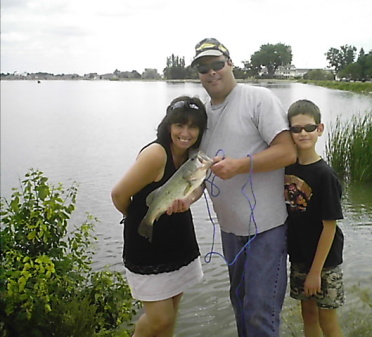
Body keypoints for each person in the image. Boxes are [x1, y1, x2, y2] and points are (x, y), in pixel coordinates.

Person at [190, 37, 297, 337]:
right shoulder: (200, 117)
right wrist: (185, 199)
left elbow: (287, 152)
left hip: (267, 229)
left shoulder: (258, 99)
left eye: (217, 64)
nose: (211, 73)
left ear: (230, 64)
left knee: (260, 313)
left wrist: (240, 164)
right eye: (203, 67)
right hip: (230, 232)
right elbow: (197, 179)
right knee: (239, 304)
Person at [111, 96, 207, 337]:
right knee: (159, 319)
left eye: (193, 126)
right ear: (168, 125)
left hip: (179, 242)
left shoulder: (192, 156)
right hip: (147, 246)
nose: (185, 133)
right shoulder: (156, 154)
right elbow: (119, 195)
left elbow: (198, 187)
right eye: (179, 125)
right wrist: (134, 219)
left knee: (170, 316)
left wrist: (189, 199)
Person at [284, 99, 345, 337]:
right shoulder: (287, 168)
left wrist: (315, 272)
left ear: (319, 129)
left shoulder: (325, 175)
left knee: (327, 321)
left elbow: (329, 227)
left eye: (309, 128)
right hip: (299, 258)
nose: (303, 133)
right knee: (308, 316)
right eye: (296, 129)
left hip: (324, 263)